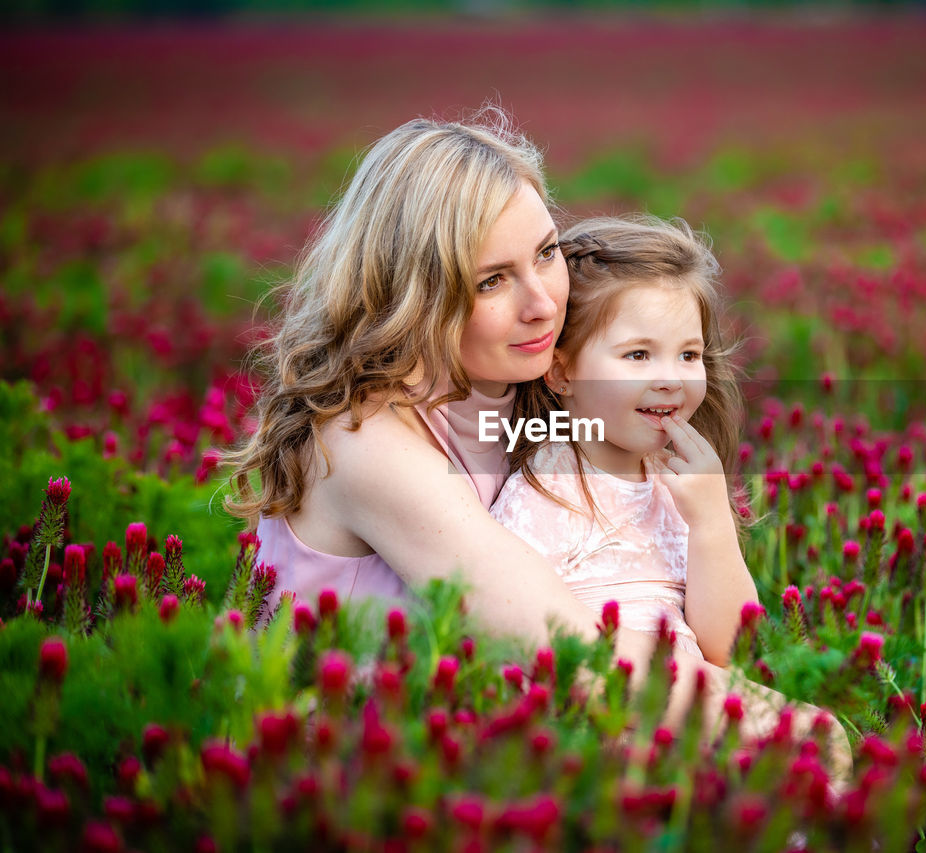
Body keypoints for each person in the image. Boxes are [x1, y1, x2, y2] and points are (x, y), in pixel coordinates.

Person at [225, 111, 849, 775]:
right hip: (323, 782)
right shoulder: (366, 440)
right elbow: (570, 650)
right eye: (492, 279)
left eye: (547, 253)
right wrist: (789, 724)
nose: (544, 303)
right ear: (417, 295)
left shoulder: (517, 390)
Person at [489, 215, 758, 668]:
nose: (671, 379)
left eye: (688, 355)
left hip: (695, 714)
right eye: (638, 354)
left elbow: (734, 652)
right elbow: (510, 640)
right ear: (561, 371)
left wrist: (712, 523)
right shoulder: (547, 493)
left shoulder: (682, 488)